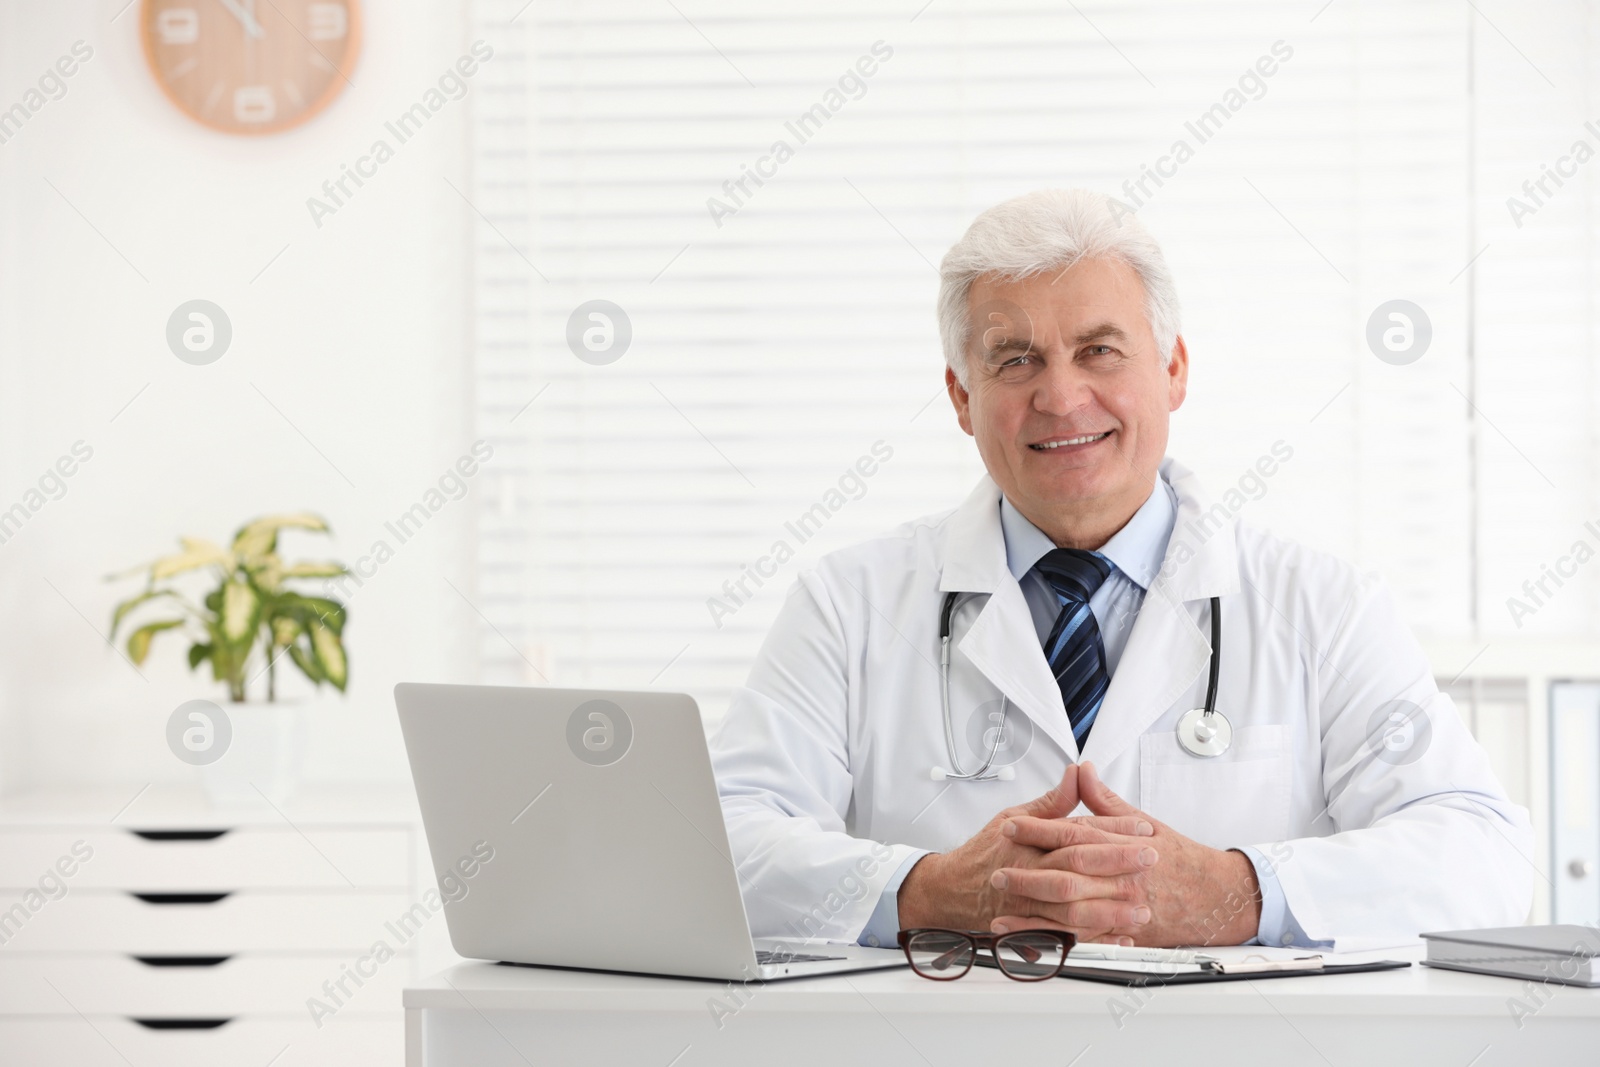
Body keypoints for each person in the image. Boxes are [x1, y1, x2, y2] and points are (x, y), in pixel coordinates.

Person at [707, 188, 1532, 951]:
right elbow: (721, 845)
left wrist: (1242, 893)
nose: (1061, 398)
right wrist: (925, 891)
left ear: (1173, 369)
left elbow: (1481, 854)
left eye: (1099, 349)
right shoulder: (848, 603)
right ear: (961, 397)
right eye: (1015, 360)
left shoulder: (1323, 606)